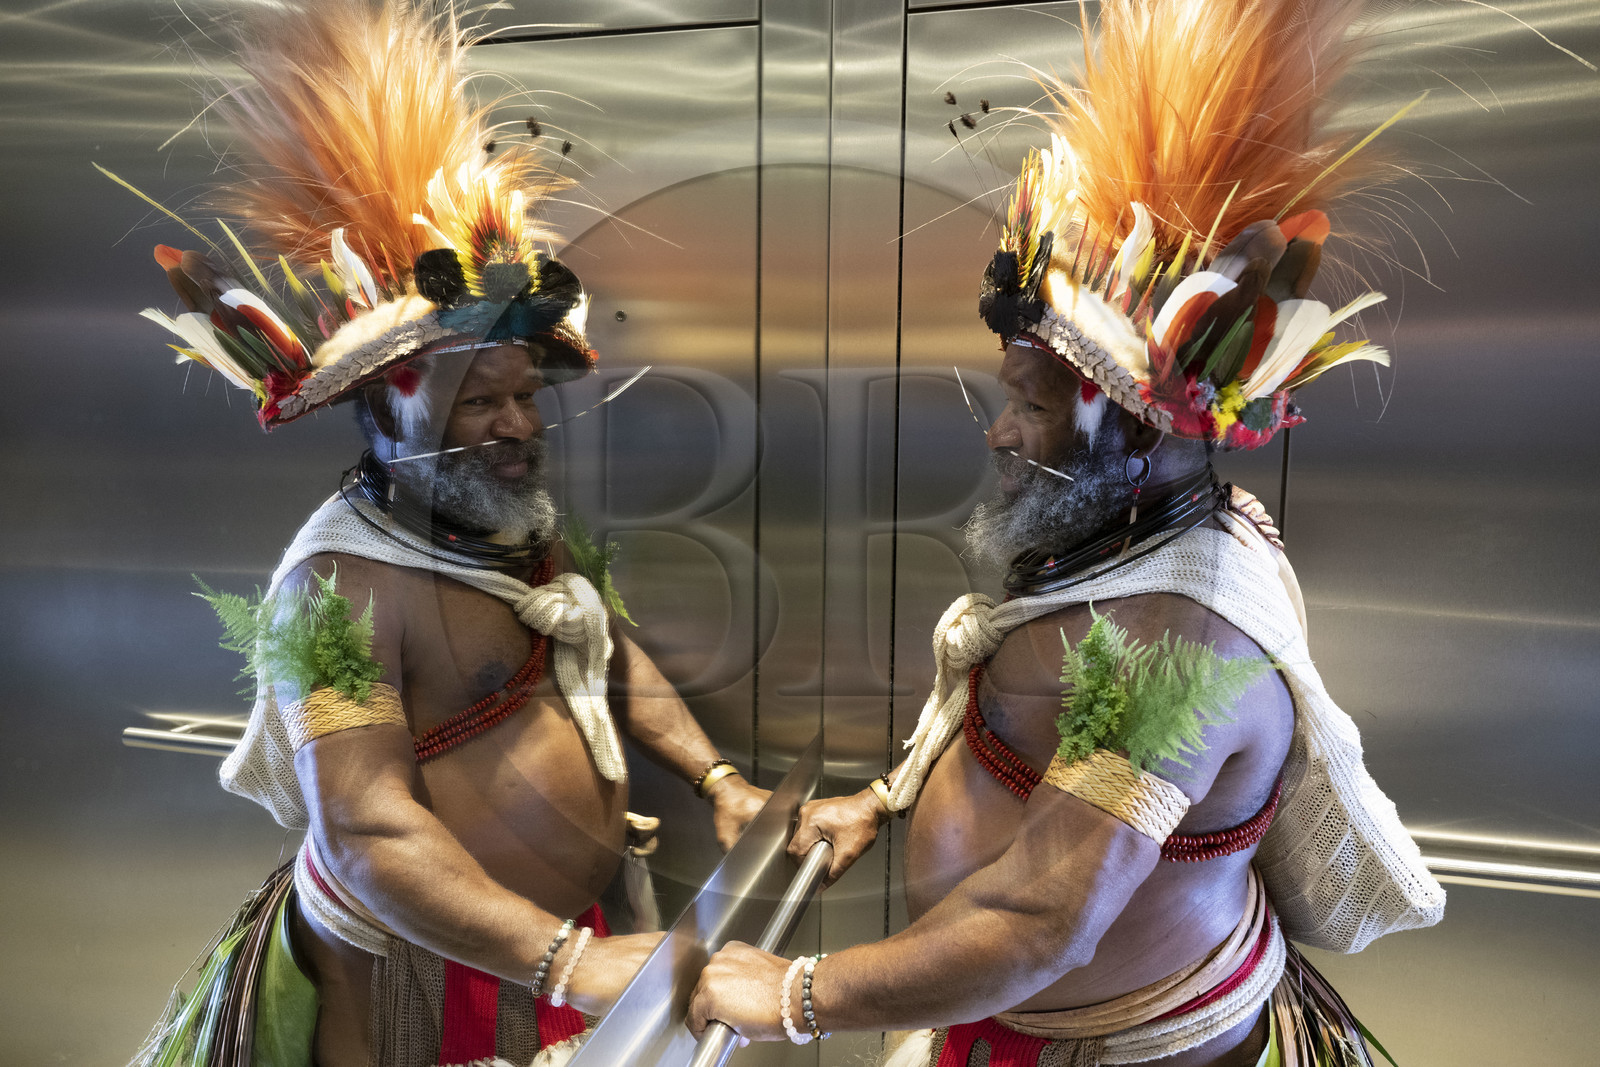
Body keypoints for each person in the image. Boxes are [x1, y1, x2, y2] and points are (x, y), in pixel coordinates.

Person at [688, 1, 1445, 1064]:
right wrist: (889, 796)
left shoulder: (1179, 638)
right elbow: (1013, 717)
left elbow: (1042, 921)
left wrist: (798, 989)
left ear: (1139, 428)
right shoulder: (1134, 537)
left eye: (1035, 405)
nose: (1000, 431)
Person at [125, 3, 767, 1065]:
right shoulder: (335, 589)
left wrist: (718, 779)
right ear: (384, 408)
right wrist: (566, 959)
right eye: (478, 403)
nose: (517, 425)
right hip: (420, 980)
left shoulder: (510, 531)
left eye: (522, 397)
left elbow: (598, 644)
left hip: (555, 948)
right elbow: (370, 829)